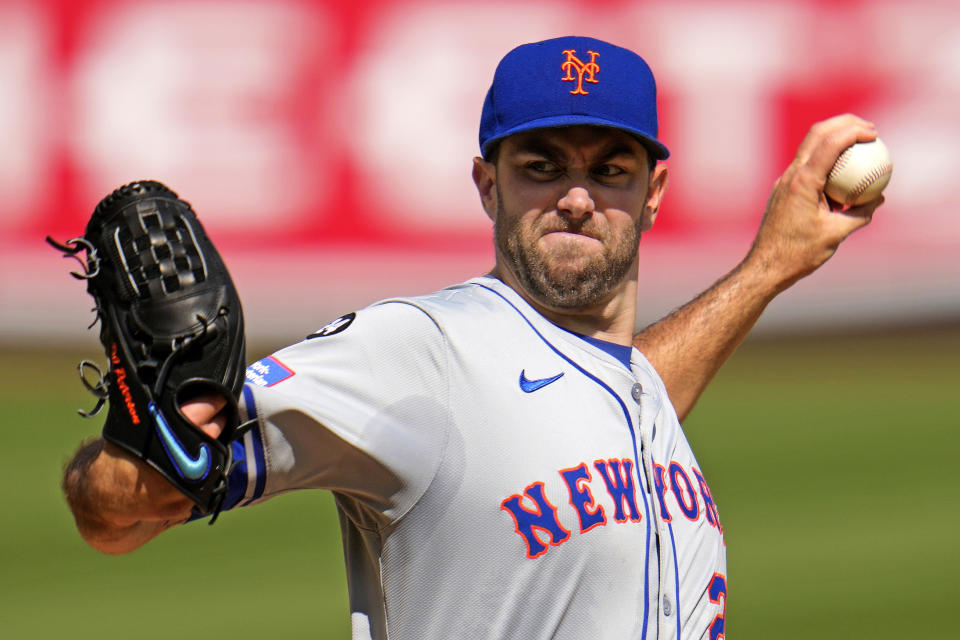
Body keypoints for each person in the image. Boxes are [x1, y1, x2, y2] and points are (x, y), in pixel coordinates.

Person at [61, 36, 882, 639]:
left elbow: (604, 398)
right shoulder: (416, 351)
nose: (575, 197)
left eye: (609, 170)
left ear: (654, 191)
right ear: (487, 183)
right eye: (542, 165)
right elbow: (124, 509)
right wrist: (148, 440)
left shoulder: (629, 394)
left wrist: (769, 267)